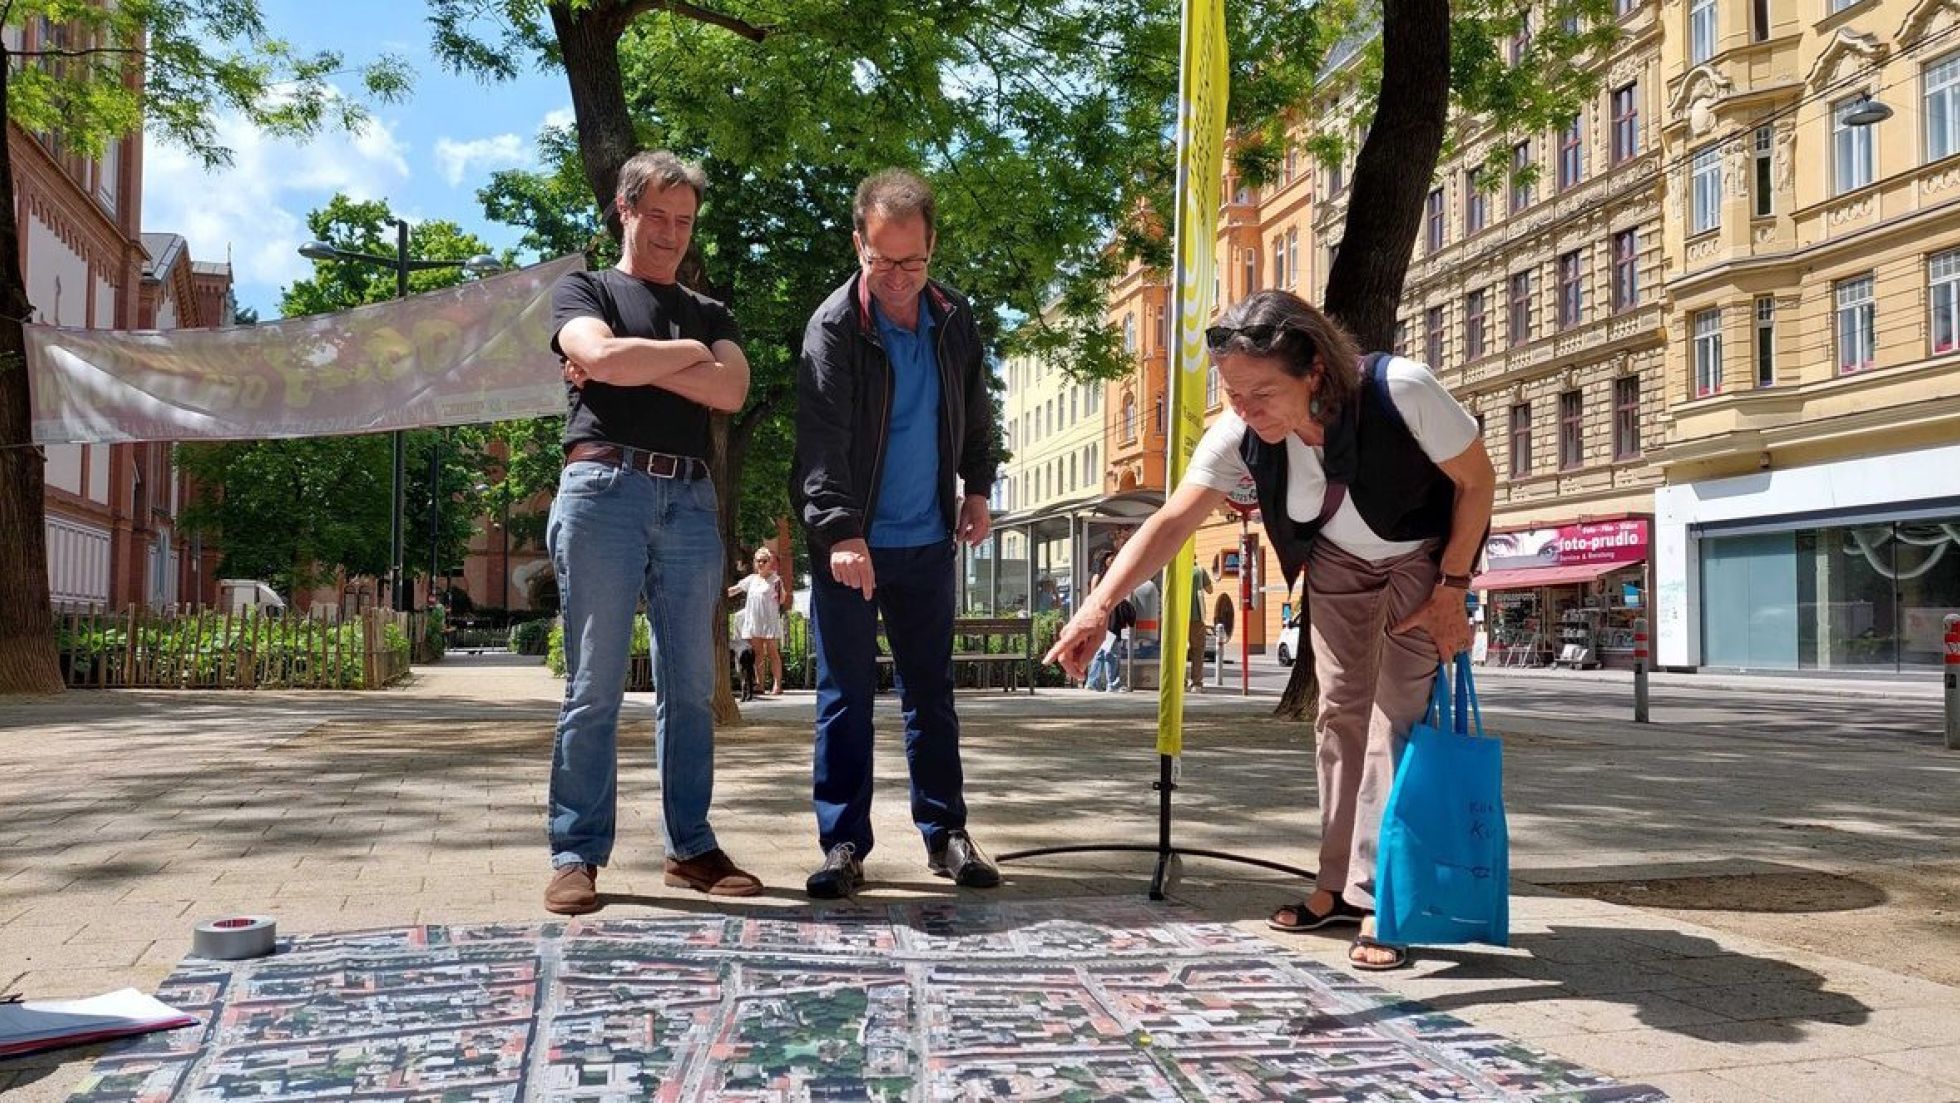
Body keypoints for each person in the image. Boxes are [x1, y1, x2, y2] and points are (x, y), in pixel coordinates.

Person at [1046, 290, 1495, 970]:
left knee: (1392, 715)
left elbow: (1478, 480)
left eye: (1261, 392)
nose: (1245, 410)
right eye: (1232, 393)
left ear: (1314, 370)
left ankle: (1384, 899)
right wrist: (1096, 607)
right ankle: (1334, 885)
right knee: (1337, 713)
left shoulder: (1401, 388)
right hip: (1339, 563)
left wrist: (1453, 589)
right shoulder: (1243, 433)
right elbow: (1172, 522)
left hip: (1419, 554)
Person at [541, 149, 763, 915]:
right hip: (602, 487)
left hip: (691, 500)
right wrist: (683, 359)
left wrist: (637, 365)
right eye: (659, 215)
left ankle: (691, 846)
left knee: (691, 687)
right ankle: (576, 853)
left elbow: (731, 389)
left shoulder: (713, 310)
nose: (673, 233)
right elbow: (594, 352)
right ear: (624, 209)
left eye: (685, 220)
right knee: (594, 682)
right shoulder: (585, 288)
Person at [790, 168, 1000, 899]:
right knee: (845, 694)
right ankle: (844, 840)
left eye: (914, 263)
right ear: (858, 243)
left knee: (930, 692)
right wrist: (843, 532)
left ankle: (946, 833)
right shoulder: (835, 327)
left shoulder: (954, 317)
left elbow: (976, 408)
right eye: (883, 262)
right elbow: (819, 445)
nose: (900, 279)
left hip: (927, 540)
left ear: (932, 247)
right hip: (853, 547)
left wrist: (978, 486)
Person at [727, 547, 788, 695]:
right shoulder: (751, 579)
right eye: (758, 561)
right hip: (754, 621)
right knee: (758, 653)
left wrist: (781, 592)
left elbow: (782, 599)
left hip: (769, 621)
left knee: (773, 652)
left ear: (769, 563)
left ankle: (777, 684)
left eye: (764, 561)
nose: (761, 563)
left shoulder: (775, 580)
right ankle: (760, 684)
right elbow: (733, 590)